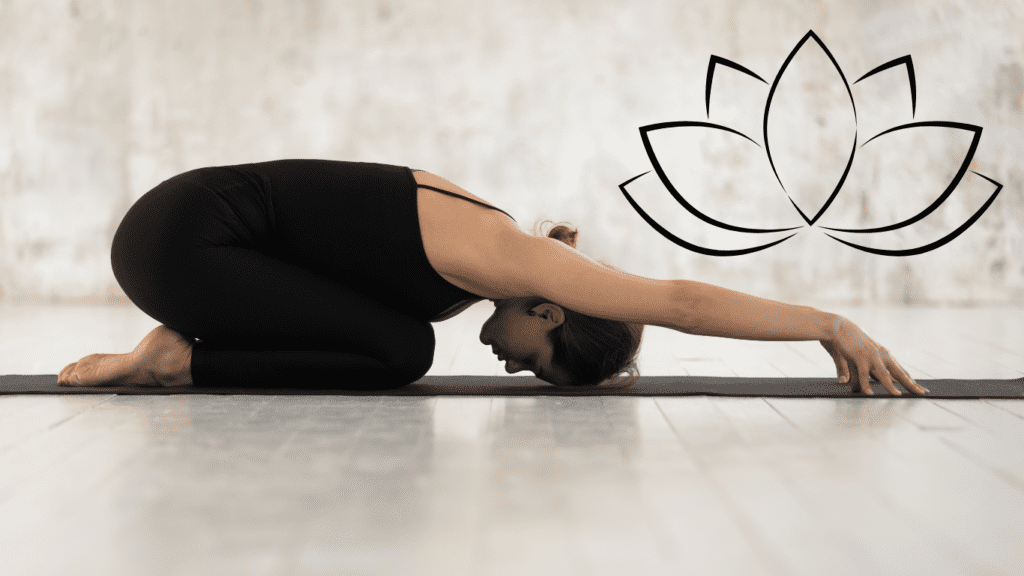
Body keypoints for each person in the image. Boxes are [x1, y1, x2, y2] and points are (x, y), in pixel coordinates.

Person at [57, 160, 928, 395]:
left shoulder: (488, 260)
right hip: (180, 241)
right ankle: (172, 363)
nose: (514, 367)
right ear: (550, 311)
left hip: (190, 236)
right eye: (539, 361)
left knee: (400, 342)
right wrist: (827, 323)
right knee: (400, 351)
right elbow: (683, 304)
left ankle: (181, 354)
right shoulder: (512, 260)